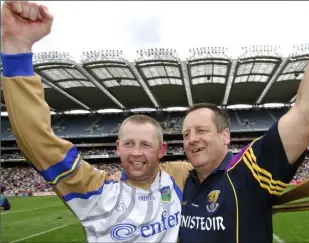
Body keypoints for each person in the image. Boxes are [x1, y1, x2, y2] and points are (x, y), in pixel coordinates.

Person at [1, 1, 192, 242]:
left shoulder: (181, 175)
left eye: (146, 144)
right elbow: (37, 142)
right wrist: (17, 49)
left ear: (162, 150)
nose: (136, 152)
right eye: (129, 143)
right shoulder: (93, 189)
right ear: (117, 147)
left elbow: (231, 162)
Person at [179, 1, 309, 242]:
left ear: (225, 135)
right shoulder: (183, 182)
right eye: (186, 134)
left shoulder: (250, 170)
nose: (192, 139)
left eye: (201, 130)